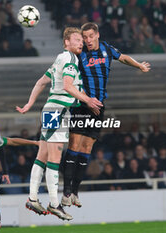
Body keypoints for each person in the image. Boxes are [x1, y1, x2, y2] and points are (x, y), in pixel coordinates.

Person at [16, 27, 102, 221]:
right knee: (54, 159)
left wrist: (29, 104)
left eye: (81, 40)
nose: (81, 42)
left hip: (51, 109)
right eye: (77, 39)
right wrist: (87, 100)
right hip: (58, 111)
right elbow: (68, 86)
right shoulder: (70, 59)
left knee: (43, 156)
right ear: (66, 43)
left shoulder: (60, 59)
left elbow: (40, 82)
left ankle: (32, 198)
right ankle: (54, 204)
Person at [61, 22, 150, 208]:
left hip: (99, 107)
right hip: (82, 105)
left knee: (86, 150)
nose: (87, 40)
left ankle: (75, 192)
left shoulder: (106, 49)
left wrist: (139, 65)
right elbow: (70, 79)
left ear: (97, 35)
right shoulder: (78, 54)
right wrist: (87, 100)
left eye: (90, 36)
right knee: (74, 146)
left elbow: (123, 57)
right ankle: (66, 191)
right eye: (84, 37)